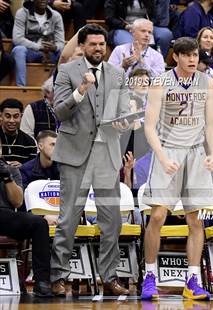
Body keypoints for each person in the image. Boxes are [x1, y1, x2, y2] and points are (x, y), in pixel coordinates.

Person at [50, 24, 131, 297]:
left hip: (106, 156)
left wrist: (124, 123)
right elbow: (60, 113)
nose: (98, 48)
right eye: (93, 44)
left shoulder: (118, 74)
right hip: (75, 156)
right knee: (68, 219)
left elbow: (124, 110)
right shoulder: (67, 71)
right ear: (82, 46)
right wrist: (81, 89)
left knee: (112, 222)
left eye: (102, 44)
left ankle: (109, 276)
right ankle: (58, 275)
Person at [141, 37, 213, 300]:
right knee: (158, 216)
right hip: (168, 150)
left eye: (195, 54)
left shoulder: (208, 82)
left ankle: (192, 280)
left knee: (196, 220)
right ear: (176, 57)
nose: (192, 59)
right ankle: (149, 275)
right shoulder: (160, 82)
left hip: (196, 153)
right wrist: (161, 157)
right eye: (186, 55)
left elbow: (211, 124)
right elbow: (148, 126)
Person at [0, 154, 53, 297]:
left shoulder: (11, 170)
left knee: (39, 223)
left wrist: (7, 177)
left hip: (4, 216)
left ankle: (42, 281)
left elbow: (17, 202)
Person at [11, 0, 64, 86]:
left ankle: (54, 86)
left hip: (48, 52)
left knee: (64, 53)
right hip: (29, 52)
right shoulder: (22, 13)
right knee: (19, 50)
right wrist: (39, 47)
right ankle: (21, 87)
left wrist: (54, 47)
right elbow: (17, 39)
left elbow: (61, 43)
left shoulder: (56, 16)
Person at [104, 0, 173, 58]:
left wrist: (150, 23)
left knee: (165, 34)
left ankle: (158, 61)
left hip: (145, 26)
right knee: (128, 43)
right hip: (123, 28)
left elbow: (156, 16)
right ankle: (134, 65)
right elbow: (109, 18)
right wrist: (125, 26)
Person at [0, 99, 37, 168]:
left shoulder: (29, 142)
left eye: (16, 116)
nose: (11, 120)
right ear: (1, 116)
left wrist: (23, 167)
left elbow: (33, 168)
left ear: (21, 116)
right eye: (7, 116)